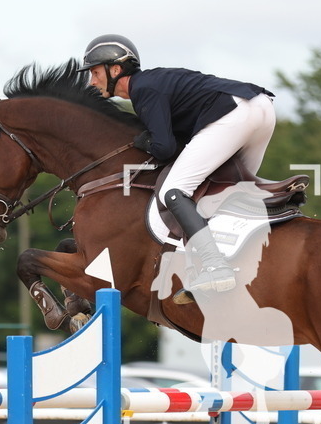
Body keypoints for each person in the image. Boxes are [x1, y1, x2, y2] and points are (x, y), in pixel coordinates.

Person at [78, 34, 276, 303]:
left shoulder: (143, 90)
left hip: (235, 114)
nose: (92, 81)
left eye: (94, 72)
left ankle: (216, 268)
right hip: (260, 108)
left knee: (173, 190)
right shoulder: (152, 82)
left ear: (115, 69)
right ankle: (253, 259)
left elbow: (164, 148)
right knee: (229, 192)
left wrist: (142, 140)